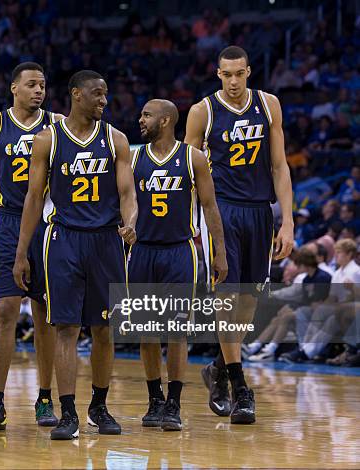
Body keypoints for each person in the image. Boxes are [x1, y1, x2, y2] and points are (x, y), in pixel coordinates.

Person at [13, 70, 138, 440]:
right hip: (63, 239)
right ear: (76, 95)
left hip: (106, 240)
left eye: (106, 95)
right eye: (97, 94)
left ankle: (99, 406)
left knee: (103, 329)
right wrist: (22, 253)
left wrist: (130, 221)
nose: (103, 100)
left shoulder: (116, 139)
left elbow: (129, 193)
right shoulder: (48, 140)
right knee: (65, 327)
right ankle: (67, 412)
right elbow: (34, 199)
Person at [185, 46, 294, 424]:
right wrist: (193, 223)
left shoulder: (269, 105)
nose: (233, 81)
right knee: (227, 298)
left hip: (260, 210)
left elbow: (279, 166)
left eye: (239, 74)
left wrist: (288, 221)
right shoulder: (202, 112)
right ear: (218, 74)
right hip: (221, 211)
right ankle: (239, 386)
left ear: (249, 72)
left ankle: (216, 368)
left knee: (248, 304)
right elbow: (188, 171)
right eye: (226, 74)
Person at [0, 62, 64, 430]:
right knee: (5, 309)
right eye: (32, 84)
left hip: (49, 224)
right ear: (14, 88)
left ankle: (45, 398)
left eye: (43, 85)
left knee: (44, 315)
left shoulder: (58, 125)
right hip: (6, 222)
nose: (39, 90)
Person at [130, 100, 227, 430]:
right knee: (146, 333)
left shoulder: (193, 157)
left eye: (147, 115)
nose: (140, 120)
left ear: (166, 119)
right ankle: (154, 398)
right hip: (142, 251)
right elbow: (124, 201)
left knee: (175, 332)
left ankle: (173, 403)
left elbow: (211, 207)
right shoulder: (134, 157)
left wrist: (220, 252)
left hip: (179, 251)